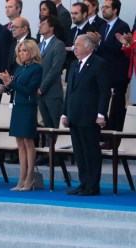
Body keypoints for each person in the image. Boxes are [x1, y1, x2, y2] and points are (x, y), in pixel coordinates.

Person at [61, 33, 110, 196]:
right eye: (74, 44)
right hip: (74, 115)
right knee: (79, 152)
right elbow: (70, 91)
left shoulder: (99, 63)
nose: (75, 47)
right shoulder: (74, 64)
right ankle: (83, 183)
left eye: (78, 44)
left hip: (89, 115)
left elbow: (104, 92)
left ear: (89, 47)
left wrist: (101, 114)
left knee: (91, 151)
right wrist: (64, 112)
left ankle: (92, 185)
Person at [0, 39, 43, 191]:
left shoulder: (37, 68)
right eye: (20, 51)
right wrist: (6, 84)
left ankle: (30, 177)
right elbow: (15, 88)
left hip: (27, 107)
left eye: (24, 50)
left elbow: (29, 89)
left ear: (32, 51)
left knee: (28, 142)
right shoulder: (20, 68)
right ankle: (21, 177)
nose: (21, 53)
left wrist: (11, 83)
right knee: (20, 144)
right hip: (17, 106)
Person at [96, 0, 130, 140]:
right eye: (102, 7)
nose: (103, 10)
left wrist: (99, 43)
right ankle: (104, 138)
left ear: (115, 10)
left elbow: (118, 49)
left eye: (107, 7)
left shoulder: (123, 26)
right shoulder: (102, 25)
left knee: (116, 108)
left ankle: (114, 140)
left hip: (117, 75)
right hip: (104, 74)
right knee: (103, 106)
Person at [37, 16, 66, 132]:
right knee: (47, 127)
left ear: (51, 27)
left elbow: (55, 69)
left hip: (52, 93)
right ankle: (49, 149)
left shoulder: (58, 45)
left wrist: (42, 88)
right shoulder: (38, 46)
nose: (40, 26)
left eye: (43, 24)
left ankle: (56, 150)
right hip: (39, 93)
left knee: (56, 127)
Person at [65, 2, 91, 77]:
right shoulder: (71, 31)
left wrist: (69, 48)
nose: (73, 16)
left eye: (76, 13)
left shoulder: (91, 31)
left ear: (84, 14)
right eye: (72, 13)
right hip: (71, 71)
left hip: (85, 73)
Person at [116, 24, 136, 104]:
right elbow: (131, 54)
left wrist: (132, 43)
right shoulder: (135, 32)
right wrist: (126, 44)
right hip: (134, 72)